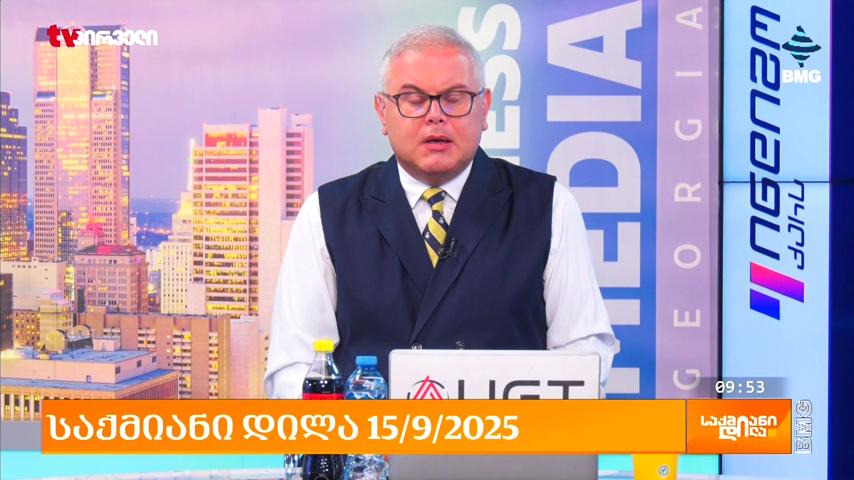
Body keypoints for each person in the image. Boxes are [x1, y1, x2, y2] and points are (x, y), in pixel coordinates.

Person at [264, 25, 617, 399]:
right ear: (382, 112)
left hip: (507, 436)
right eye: (413, 99)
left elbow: (583, 357)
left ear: (484, 107)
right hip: (371, 437)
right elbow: (295, 370)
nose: (435, 115)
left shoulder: (548, 206)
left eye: (455, 98)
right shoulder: (327, 213)